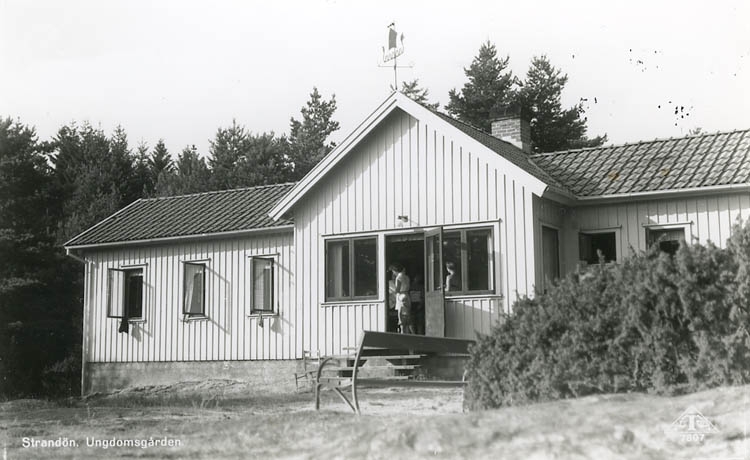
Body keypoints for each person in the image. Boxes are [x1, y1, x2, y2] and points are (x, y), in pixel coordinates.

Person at [389, 263, 414, 334]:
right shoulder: (406, 277)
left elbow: (397, 289)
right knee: (408, 316)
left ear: (395, 270)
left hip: (401, 296)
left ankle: (403, 333)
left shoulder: (399, 277)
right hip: (407, 295)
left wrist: (392, 291)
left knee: (402, 318)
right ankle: (412, 333)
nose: (393, 273)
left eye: (393, 271)